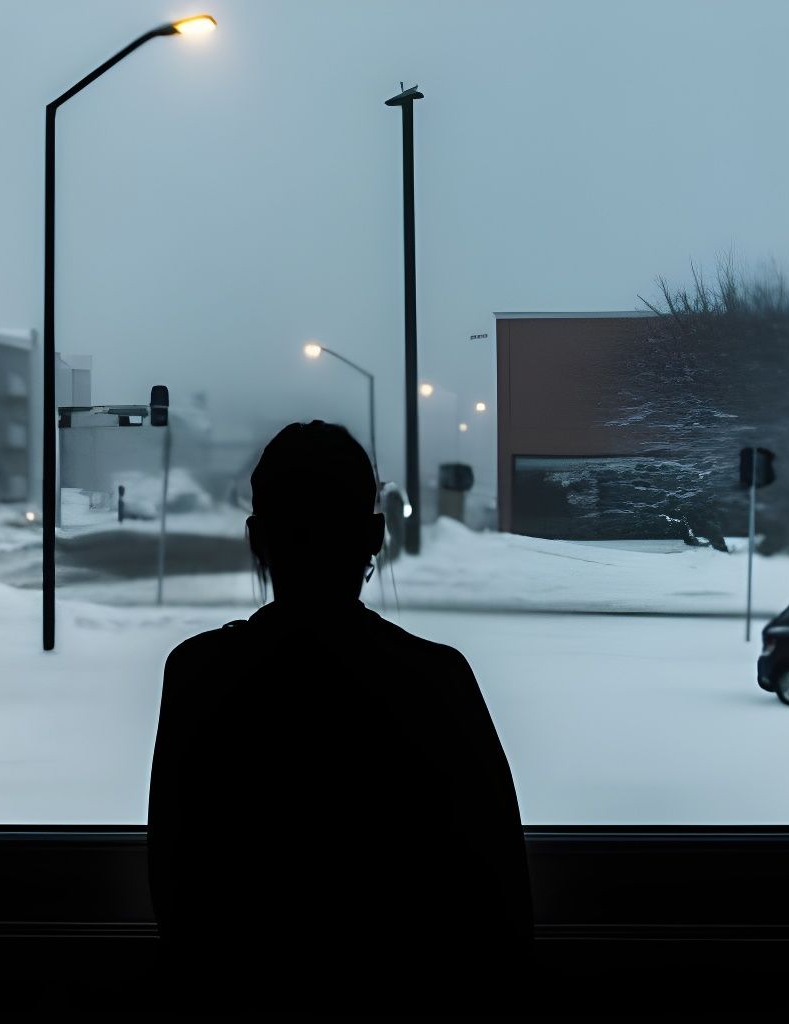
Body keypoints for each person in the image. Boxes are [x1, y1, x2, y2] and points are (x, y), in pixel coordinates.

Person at [147, 420, 532, 1012]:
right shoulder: (435, 681)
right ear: (375, 534)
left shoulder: (199, 676)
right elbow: (500, 901)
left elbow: (178, 893)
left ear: (258, 536)